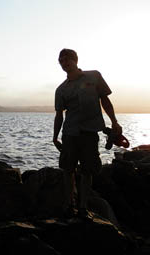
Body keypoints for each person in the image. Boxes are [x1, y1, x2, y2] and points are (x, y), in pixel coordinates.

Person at [53, 48, 122, 218]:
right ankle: (68, 205)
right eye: (61, 60)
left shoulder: (94, 76)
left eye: (67, 59)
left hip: (90, 132)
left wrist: (114, 122)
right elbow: (59, 114)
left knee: (87, 171)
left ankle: (83, 207)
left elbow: (105, 100)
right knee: (67, 170)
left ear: (75, 60)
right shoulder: (61, 90)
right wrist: (55, 137)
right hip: (69, 133)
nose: (64, 62)